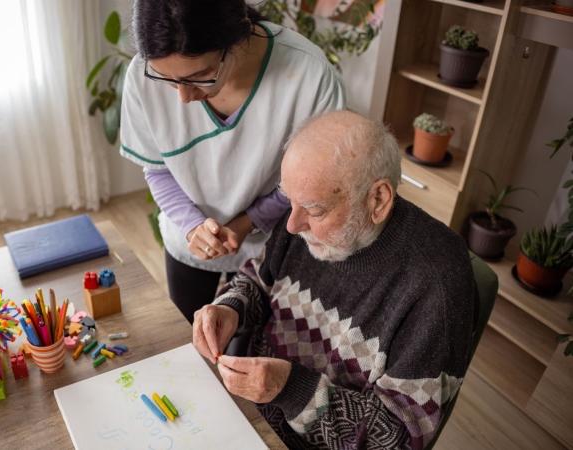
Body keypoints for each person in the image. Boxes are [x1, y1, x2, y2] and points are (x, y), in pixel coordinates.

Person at [193, 110, 478, 449]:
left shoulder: (437, 284)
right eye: (290, 202)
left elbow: (399, 439)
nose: (292, 225)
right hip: (243, 413)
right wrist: (231, 308)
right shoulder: (306, 212)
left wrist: (289, 389)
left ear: (378, 199)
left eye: (314, 211)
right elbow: (259, 277)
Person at [119, 0, 346, 323]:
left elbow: (311, 180)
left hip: (272, 244)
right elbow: (158, 168)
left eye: (201, 76)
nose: (184, 98)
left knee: (255, 344)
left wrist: (249, 220)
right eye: (168, 81)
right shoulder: (142, 77)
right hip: (190, 240)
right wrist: (192, 226)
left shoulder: (309, 76)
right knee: (192, 336)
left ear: (236, 32)